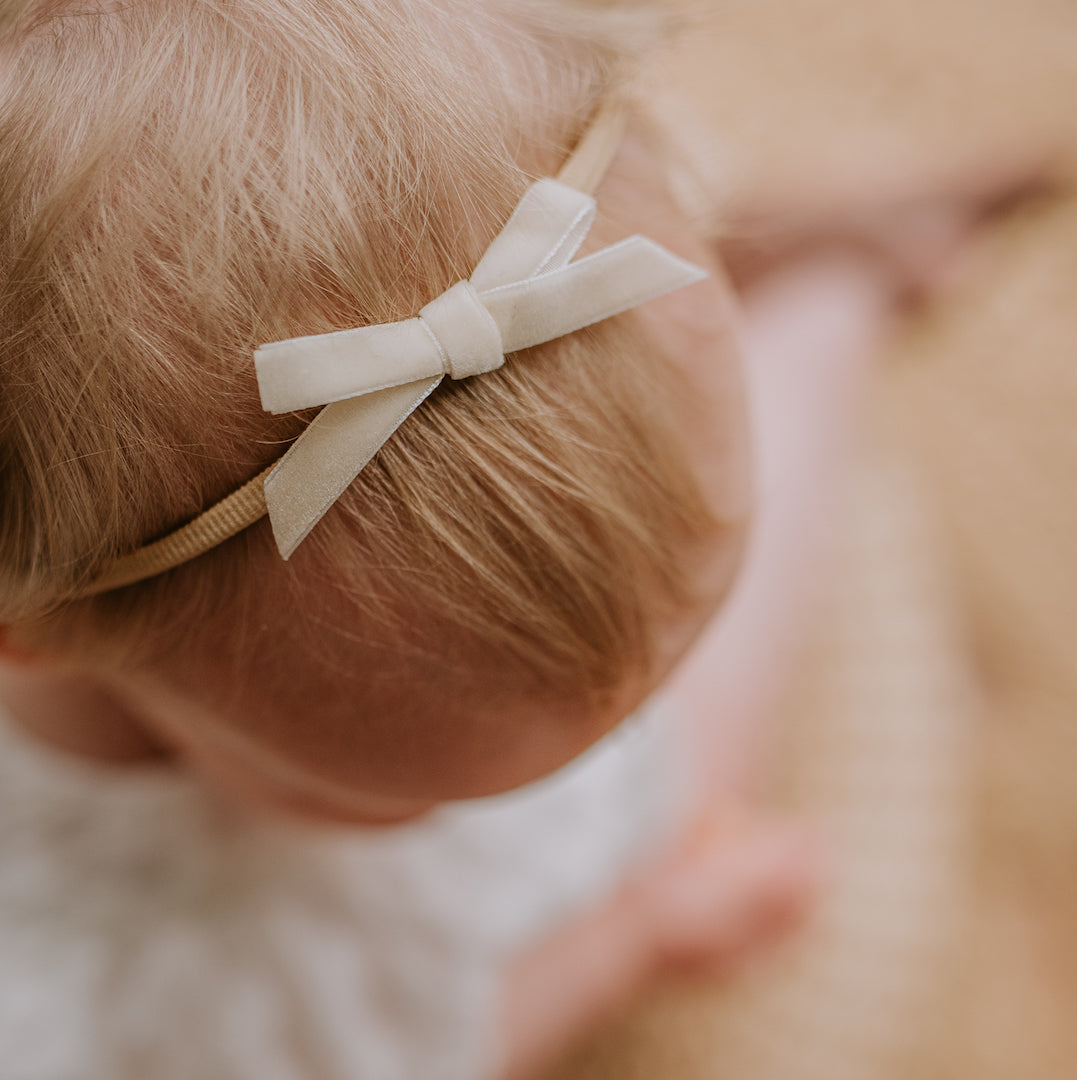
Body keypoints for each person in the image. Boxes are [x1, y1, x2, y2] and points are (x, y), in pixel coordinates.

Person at [0, 1, 983, 1077]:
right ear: (30, 626)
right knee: (697, 777)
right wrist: (631, 935)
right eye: (403, 799)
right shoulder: (127, 999)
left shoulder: (316, 706)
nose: (628, 729)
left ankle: (828, 297)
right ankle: (831, 297)